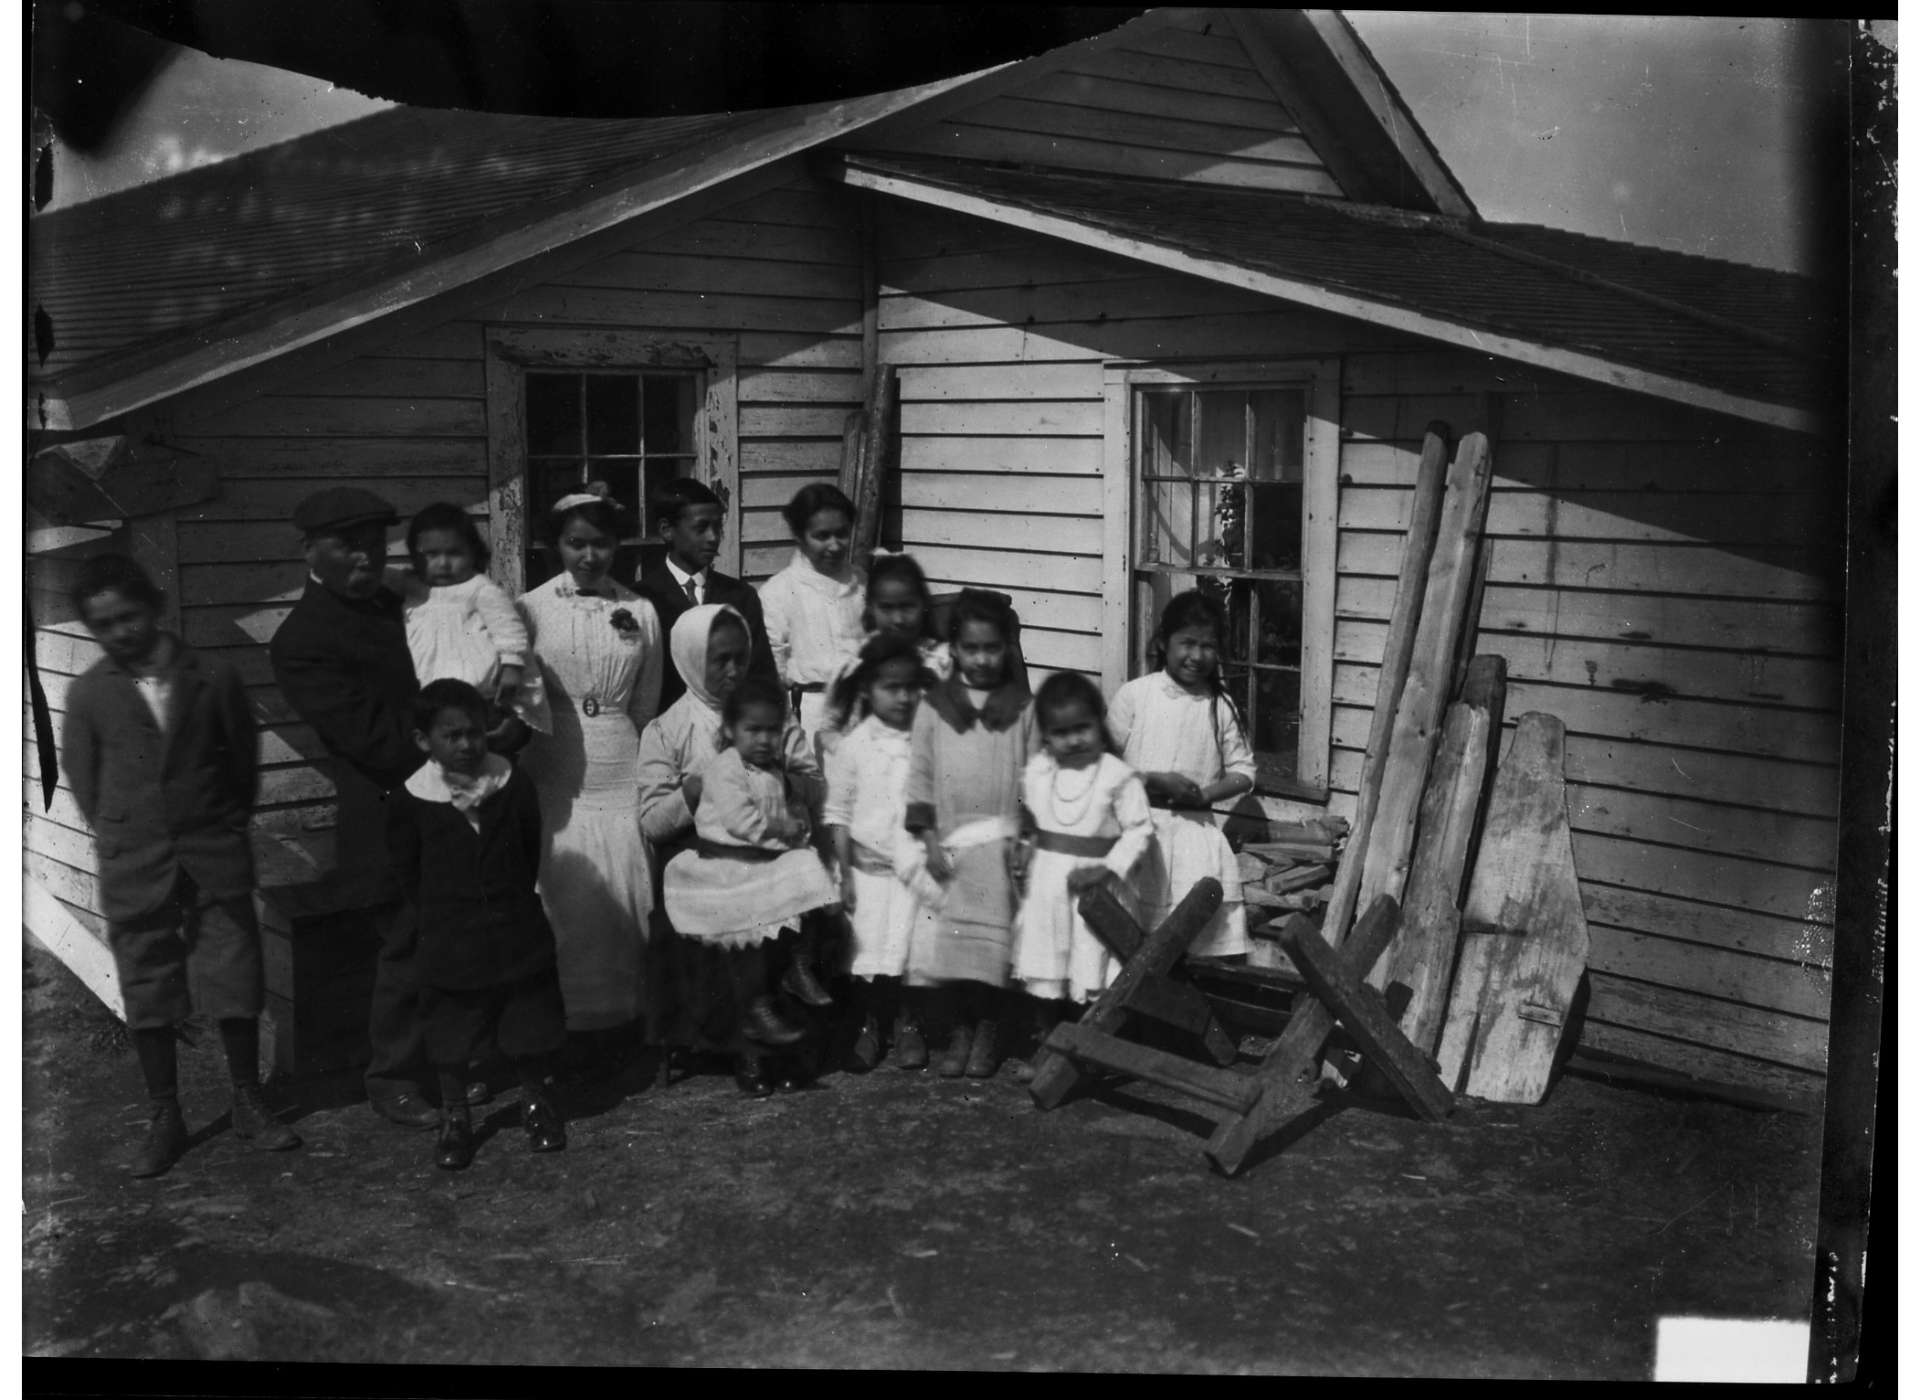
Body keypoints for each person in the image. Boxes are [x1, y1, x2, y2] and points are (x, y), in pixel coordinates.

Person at [63, 555, 300, 1177]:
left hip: (212, 853)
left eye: (129, 615)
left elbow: (242, 764)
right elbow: (85, 783)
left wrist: (216, 823)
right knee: (148, 983)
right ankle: (165, 1115)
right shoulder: (89, 692)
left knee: (233, 973)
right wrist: (132, 831)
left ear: (155, 608)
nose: (121, 632)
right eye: (104, 624)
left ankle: (248, 1100)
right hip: (135, 860)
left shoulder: (211, 674)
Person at [270, 485, 483, 1130]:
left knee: (461, 933)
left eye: (372, 540)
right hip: (392, 806)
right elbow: (373, 741)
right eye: (346, 543)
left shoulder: (404, 602)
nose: (365, 554)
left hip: (463, 788)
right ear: (311, 550)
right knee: (406, 943)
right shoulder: (301, 640)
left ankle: (457, 1063)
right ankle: (391, 1076)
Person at [636, 606, 826, 1095]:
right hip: (704, 850)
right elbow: (652, 822)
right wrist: (693, 791)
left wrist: (783, 777)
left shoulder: (768, 713)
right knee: (738, 910)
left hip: (769, 842)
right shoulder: (668, 728)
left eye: (740, 659)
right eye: (718, 660)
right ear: (691, 660)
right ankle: (751, 1052)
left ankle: (780, 1041)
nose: (733, 672)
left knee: (793, 891)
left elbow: (812, 785)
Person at [386, 680, 567, 1171]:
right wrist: (442, 914)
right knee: (451, 1024)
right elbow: (409, 871)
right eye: (452, 736)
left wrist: (506, 899)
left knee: (526, 1015)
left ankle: (536, 1101)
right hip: (450, 930)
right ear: (425, 741)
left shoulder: (511, 783)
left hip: (513, 923)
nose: (467, 745)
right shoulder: (411, 800)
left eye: (475, 733)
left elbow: (529, 849)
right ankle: (456, 1115)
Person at [516, 488, 664, 1076]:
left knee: (625, 892)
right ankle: (565, 1034)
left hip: (620, 764)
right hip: (556, 768)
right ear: (556, 545)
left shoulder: (642, 611)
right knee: (564, 898)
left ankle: (623, 1029)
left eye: (601, 542)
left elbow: (647, 703)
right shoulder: (527, 610)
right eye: (577, 543)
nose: (590, 555)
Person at [902, 590, 1036, 1080]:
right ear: (954, 649)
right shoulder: (935, 706)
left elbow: (1035, 778)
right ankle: (959, 1029)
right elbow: (920, 775)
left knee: (994, 943)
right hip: (950, 843)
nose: (983, 659)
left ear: (1007, 649)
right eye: (972, 649)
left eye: (993, 649)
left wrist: (1026, 840)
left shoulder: (1020, 706)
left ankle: (990, 1030)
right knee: (951, 942)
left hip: (1000, 844)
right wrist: (931, 839)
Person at [1008, 672, 1156, 1077]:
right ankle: (1048, 1045)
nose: (1073, 740)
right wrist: (1025, 849)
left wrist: (1106, 868)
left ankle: (1090, 1048)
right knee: (1047, 967)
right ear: (1047, 734)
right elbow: (1033, 822)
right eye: (1061, 732)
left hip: (1098, 887)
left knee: (1088, 966)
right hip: (1049, 885)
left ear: (1099, 722)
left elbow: (1140, 830)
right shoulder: (1039, 771)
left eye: (1082, 728)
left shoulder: (1116, 776)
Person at [1105, 589, 1258, 961]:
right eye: (1187, 643)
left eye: (1207, 646)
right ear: (1163, 642)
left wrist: (1205, 795)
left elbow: (1244, 771)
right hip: (1139, 831)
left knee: (1189, 941)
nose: (1196, 655)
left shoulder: (1220, 706)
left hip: (1194, 836)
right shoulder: (1136, 696)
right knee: (1128, 941)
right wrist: (1154, 780)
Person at [822, 632, 941, 1071]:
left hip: (914, 870)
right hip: (868, 869)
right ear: (869, 689)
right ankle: (871, 1024)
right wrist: (846, 873)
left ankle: (909, 1024)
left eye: (912, 687)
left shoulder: (927, 741)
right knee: (869, 953)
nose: (905, 697)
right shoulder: (853, 746)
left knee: (909, 952)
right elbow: (838, 812)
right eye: (892, 688)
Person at [395, 501, 547, 733]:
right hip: (425, 687)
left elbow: (509, 629)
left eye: (454, 553)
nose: (443, 564)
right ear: (415, 556)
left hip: (474, 688)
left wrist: (512, 667)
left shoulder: (479, 588)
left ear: (473, 552)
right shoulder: (412, 589)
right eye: (431, 555)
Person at [630, 478, 774, 712]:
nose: (713, 537)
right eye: (701, 528)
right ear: (667, 530)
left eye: (718, 527)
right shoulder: (642, 599)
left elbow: (760, 675)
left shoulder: (740, 596)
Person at [756, 483, 866, 751]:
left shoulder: (862, 584)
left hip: (861, 709)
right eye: (822, 536)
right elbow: (774, 664)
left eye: (842, 534)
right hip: (808, 713)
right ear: (800, 535)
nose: (834, 545)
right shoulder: (779, 591)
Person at [814, 552, 951, 761]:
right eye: (887, 608)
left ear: (923, 605)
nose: (898, 619)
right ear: (870, 608)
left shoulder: (941, 661)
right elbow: (829, 727)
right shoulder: (854, 661)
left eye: (907, 607)